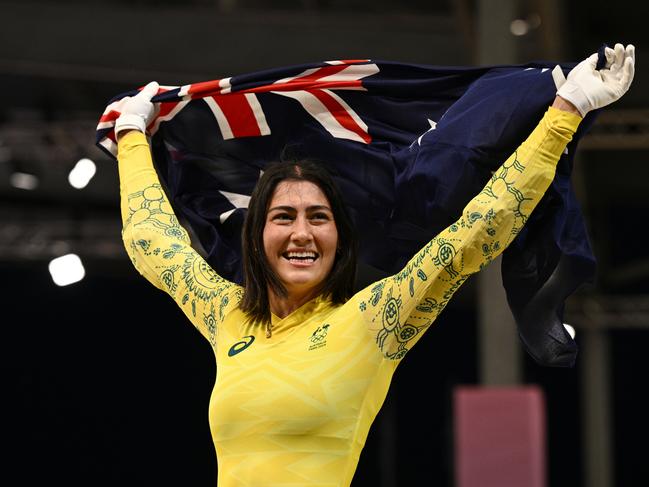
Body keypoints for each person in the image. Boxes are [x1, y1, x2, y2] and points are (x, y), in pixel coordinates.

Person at [114, 44, 634, 486]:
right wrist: (132, 135)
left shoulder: (372, 319)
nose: (301, 232)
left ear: (340, 238)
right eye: (283, 217)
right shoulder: (228, 317)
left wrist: (566, 110)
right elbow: (151, 242)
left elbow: (479, 230)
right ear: (256, 236)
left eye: (318, 217)